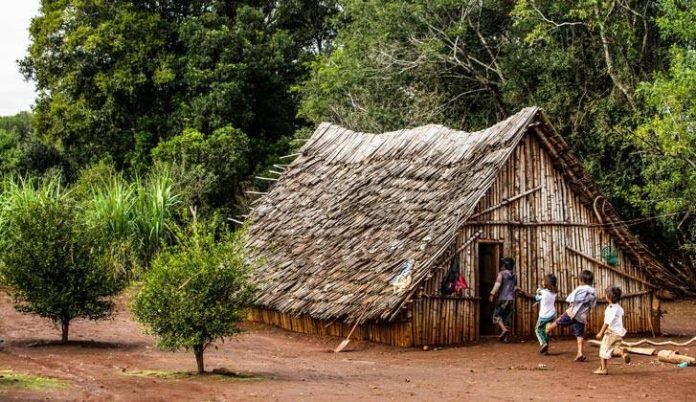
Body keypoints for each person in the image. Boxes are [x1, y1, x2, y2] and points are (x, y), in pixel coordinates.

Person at [545, 269, 596, 361]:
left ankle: (547, 329)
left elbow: (570, 299)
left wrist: (570, 307)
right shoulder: (593, 292)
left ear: (581, 280)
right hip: (581, 316)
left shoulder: (580, 289)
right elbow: (591, 305)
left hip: (572, 313)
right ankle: (580, 353)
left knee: (558, 322)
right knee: (579, 334)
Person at [517, 273, 558, 354]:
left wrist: (524, 293)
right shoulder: (554, 293)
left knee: (538, 330)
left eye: (543, 280)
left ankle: (543, 343)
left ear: (546, 283)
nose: (542, 281)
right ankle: (546, 350)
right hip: (552, 314)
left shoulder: (542, 292)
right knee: (546, 331)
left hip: (544, 316)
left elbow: (536, 297)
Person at [594, 286, 631, 375]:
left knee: (603, 349)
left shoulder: (611, 309)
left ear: (609, 297)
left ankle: (603, 369)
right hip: (619, 333)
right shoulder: (619, 307)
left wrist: (600, 333)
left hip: (611, 333)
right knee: (613, 349)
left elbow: (607, 322)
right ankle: (622, 353)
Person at [489, 257, 517, 343]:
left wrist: (492, 294)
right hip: (511, 299)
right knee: (507, 318)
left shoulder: (501, 274)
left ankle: (504, 329)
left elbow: (497, 285)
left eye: (502, 265)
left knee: (496, 315)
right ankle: (506, 338)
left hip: (503, 298)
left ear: (505, 265)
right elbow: (515, 287)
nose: (501, 266)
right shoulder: (514, 275)